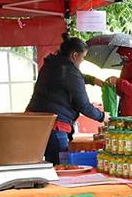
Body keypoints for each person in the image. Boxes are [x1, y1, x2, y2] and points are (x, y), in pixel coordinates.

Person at [26, 34, 106, 164]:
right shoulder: (71, 73)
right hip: (55, 126)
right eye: (83, 58)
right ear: (75, 55)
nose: (82, 61)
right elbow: (84, 106)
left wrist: (92, 80)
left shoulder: (51, 64)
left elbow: (66, 77)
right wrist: (102, 116)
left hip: (34, 123)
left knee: (39, 164)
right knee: (59, 167)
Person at [101, 47, 132, 117]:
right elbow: (123, 93)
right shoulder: (125, 68)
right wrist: (113, 86)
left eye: (125, 57)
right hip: (123, 111)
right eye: (121, 57)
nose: (123, 59)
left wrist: (118, 82)